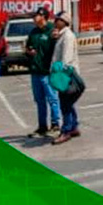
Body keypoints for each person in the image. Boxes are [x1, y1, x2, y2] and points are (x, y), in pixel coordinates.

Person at [25, 9, 61, 137]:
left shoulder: (52, 30)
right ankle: (42, 126)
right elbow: (28, 47)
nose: (34, 18)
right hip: (35, 71)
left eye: (36, 16)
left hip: (48, 72)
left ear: (43, 17)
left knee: (52, 98)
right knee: (39, 100)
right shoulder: (34, 32)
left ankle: (55, 124)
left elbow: (59, 47)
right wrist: (29, 51)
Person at [50, 12, 83, 144]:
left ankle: (66, 131)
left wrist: (59, 75)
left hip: (66, 75)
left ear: (64, 21)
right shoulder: (61, 35)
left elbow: (66, 60)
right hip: (63, 74)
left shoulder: (68, 36)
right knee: (68, 102)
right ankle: (74, 126)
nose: (55, 22)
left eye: (58, 20)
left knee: (65, 104)